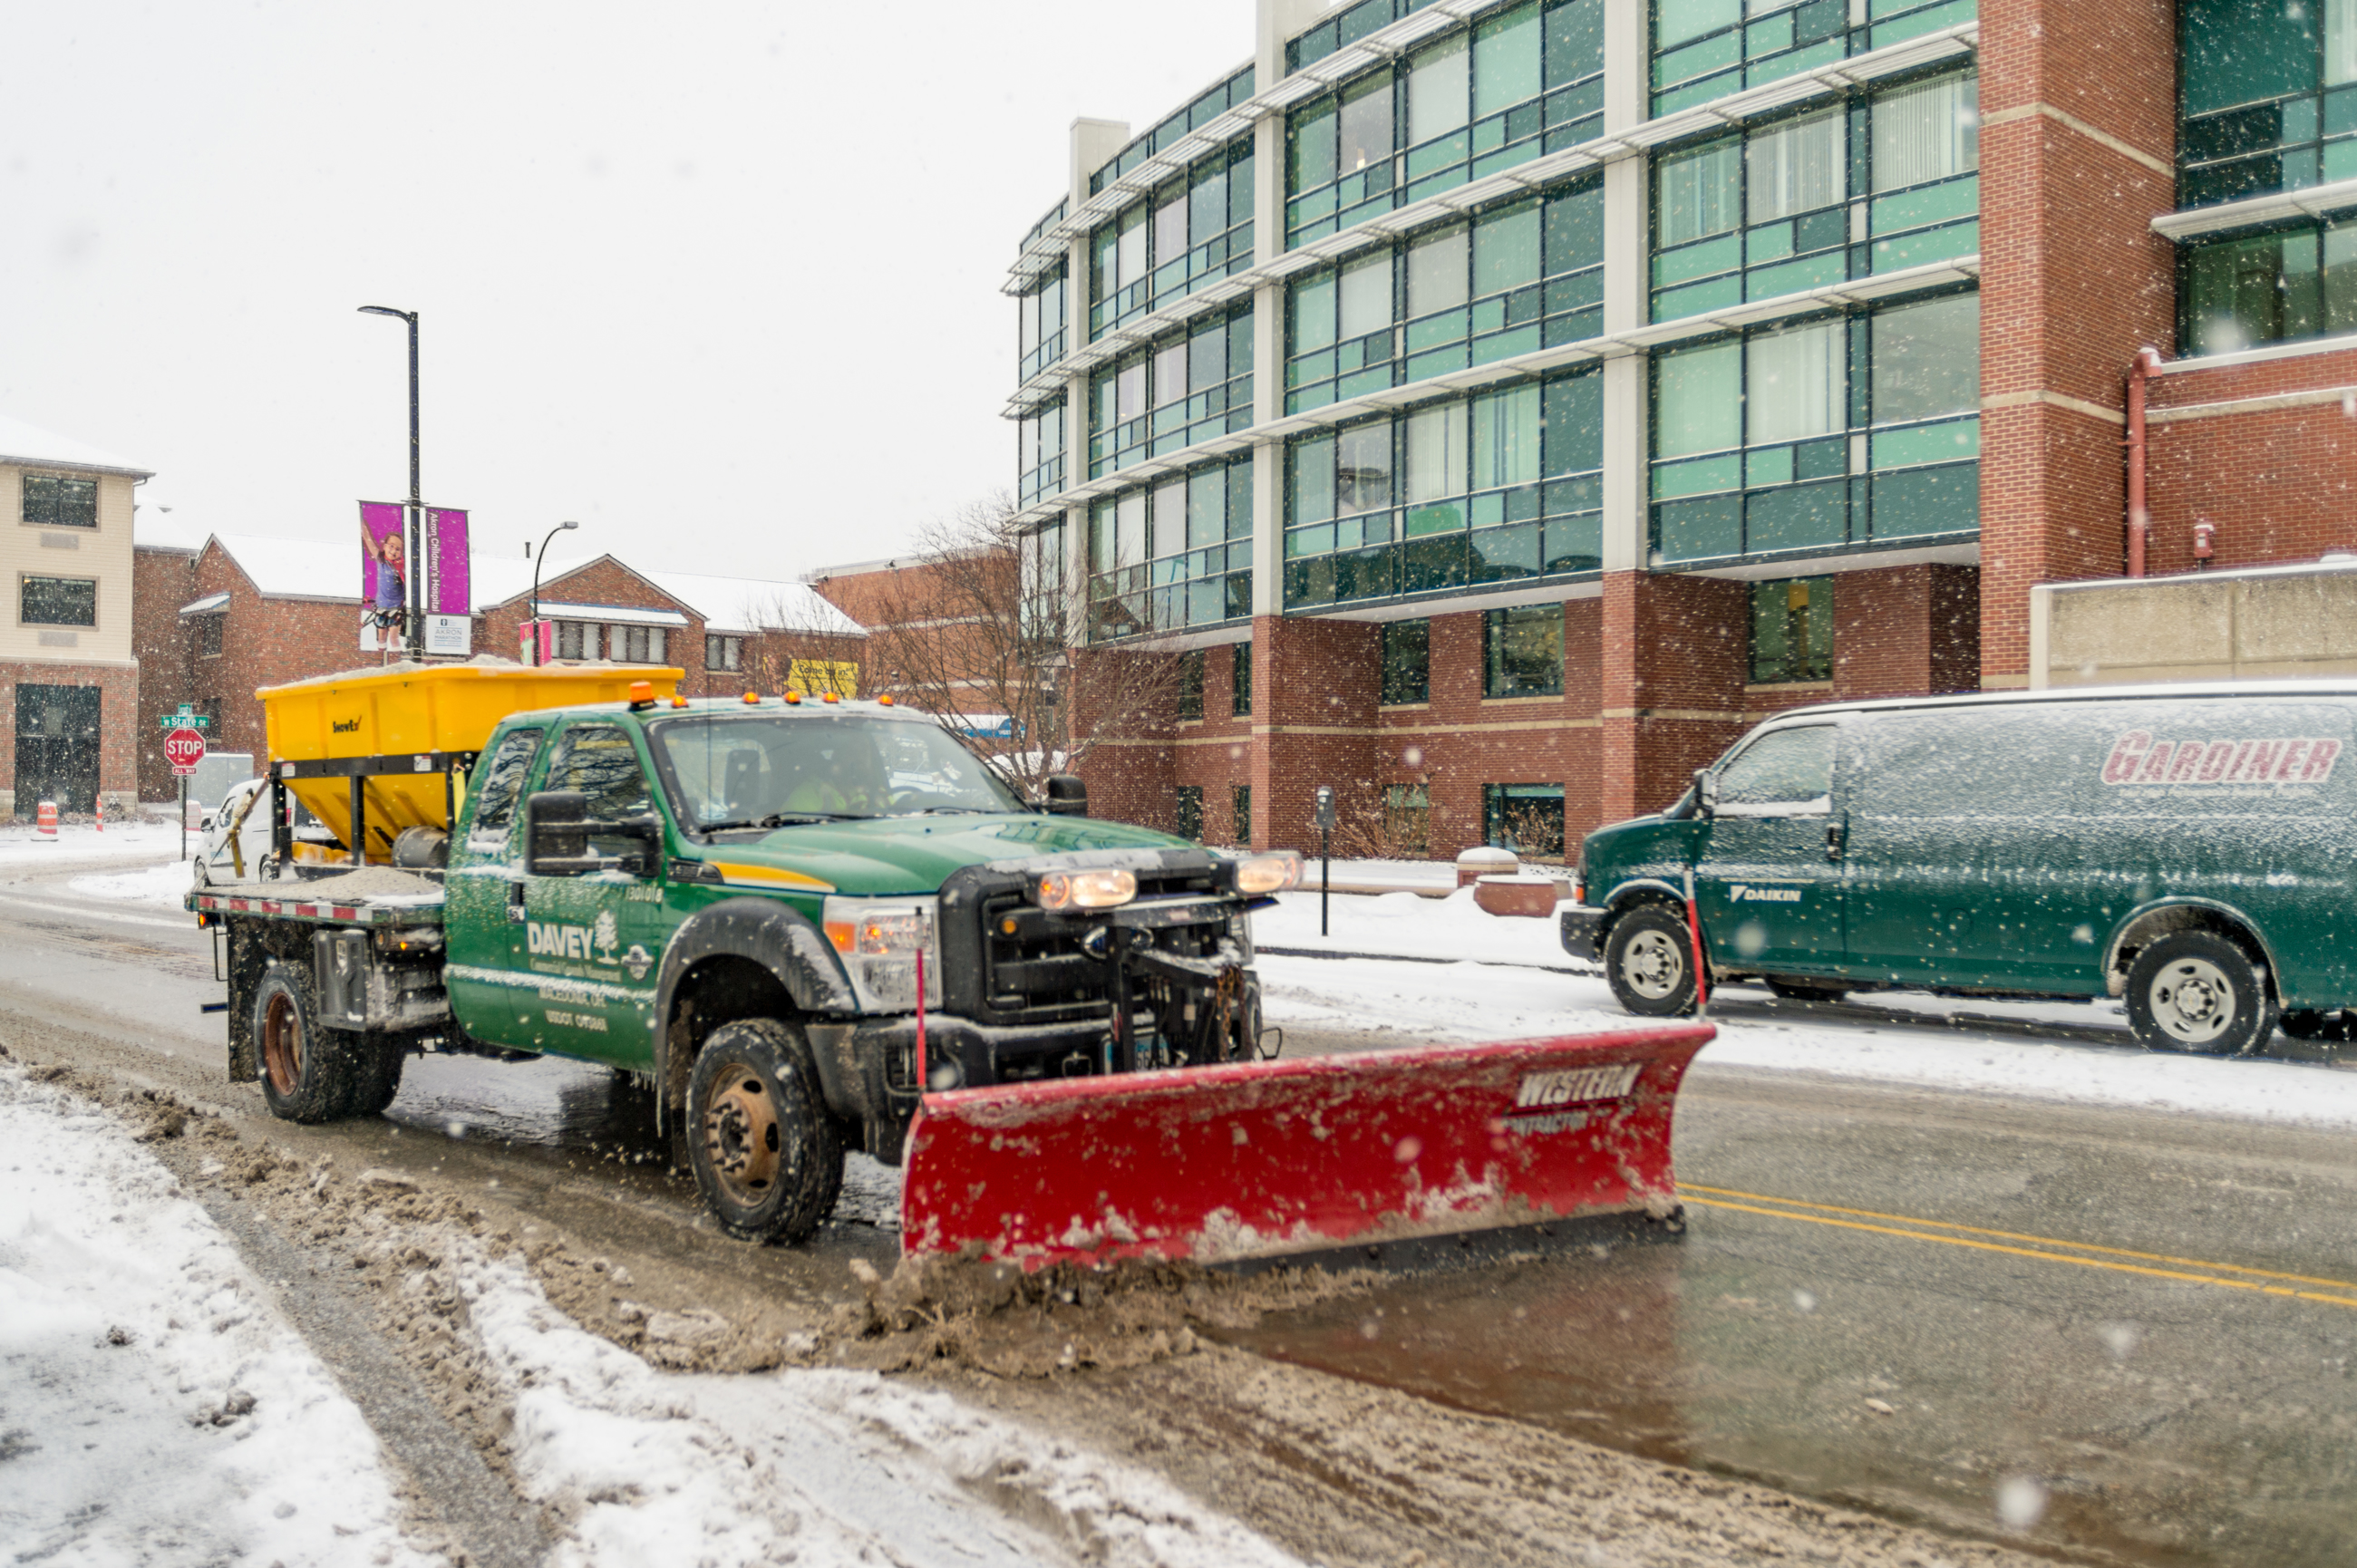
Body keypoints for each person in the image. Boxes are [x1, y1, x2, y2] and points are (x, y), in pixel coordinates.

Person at [360, 522, 405, 654]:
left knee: (394, 638)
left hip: (395, 608)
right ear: (384, 546)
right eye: (391, 546)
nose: (394, 551)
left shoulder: (401, 567)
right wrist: (363, 526)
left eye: (398, 549)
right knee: (381, 636)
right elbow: (369, 540)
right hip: (381, 607)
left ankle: (398, 660)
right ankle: (382, 660)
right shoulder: (381, 561)